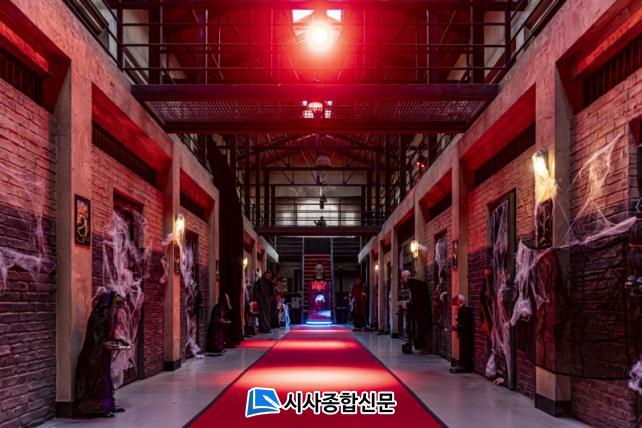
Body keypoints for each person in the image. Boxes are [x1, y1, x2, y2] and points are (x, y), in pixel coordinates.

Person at [74, 291, 130, 418]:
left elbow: (105, 336)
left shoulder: (110, 314)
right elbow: (95, 337)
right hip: (95, 355)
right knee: (98, 381)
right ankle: (99, 408)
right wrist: (105, 344)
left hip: (102, 355)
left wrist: (117, 341)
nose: (120, 299)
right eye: (117, 297)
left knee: (105, 379)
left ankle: (108, 405)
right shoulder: (99, 316)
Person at [400, 270, 431, 352]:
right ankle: (414, 343)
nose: (402, 279)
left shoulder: (413, 284)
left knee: (413, 328)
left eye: (403, 277)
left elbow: (414, 299)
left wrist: (406, 303)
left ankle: (416, 344)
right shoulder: (414, 284)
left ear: (405, 277)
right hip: (415, 311)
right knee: (412, 327)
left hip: (415, 312)